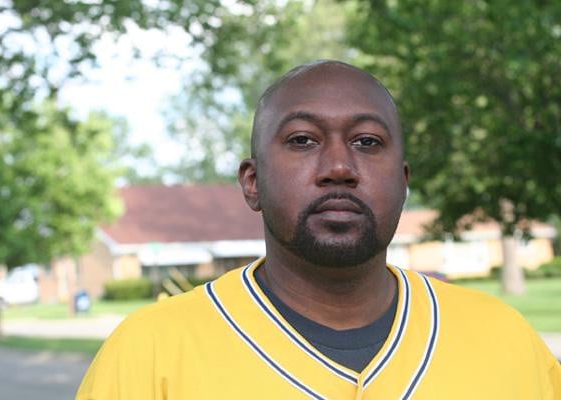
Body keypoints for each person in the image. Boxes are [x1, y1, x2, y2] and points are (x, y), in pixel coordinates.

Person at [76, 61, 560, 399]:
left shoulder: (508, 341)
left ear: (403, 182)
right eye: (303, 140)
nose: (339, 167)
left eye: (367, 141)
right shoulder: (148, 354)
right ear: (253, 182)